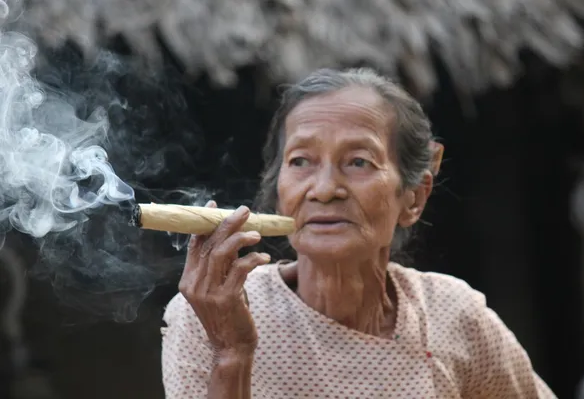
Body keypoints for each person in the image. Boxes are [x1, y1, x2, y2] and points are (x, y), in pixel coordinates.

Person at [161, 68, 556, 398]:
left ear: (413, 198)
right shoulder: (211, 315)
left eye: (358, 162)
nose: (325, 188)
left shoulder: (451, 316)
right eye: (301, 161)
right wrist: (231, 352)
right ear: (279, 193)